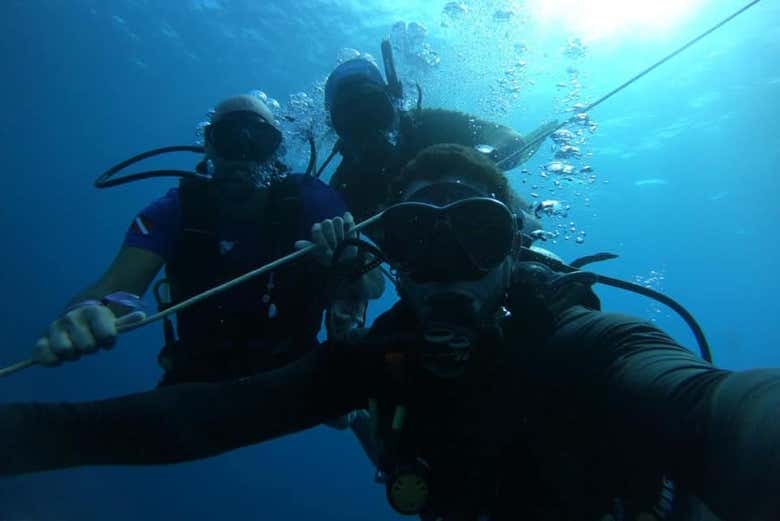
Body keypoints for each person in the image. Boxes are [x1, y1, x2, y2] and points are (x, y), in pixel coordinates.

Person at [3, 144, 779, 521]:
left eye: (473, 235)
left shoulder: (580, 341)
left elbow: (717, 408)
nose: (444, 267)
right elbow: (199, 416)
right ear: (391, 255)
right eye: (414, 236)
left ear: (513, 250)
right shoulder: (378, 359)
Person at [32, 94, 384, 384]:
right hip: (201, 371)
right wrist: (87, 313)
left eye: (259, 140)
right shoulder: (174, 211)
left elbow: (375, 285)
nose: (243, 155)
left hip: (295, 362)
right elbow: (115, 289)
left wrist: (348, 259)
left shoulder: (311, 199)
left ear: (276, 152)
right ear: (208, 147)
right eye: (229, 137)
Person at [322, 57, 556, 231]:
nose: (369, 126)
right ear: (335, 128)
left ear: (393, 100)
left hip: (500, 229)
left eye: (374, 108)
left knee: (531, 237)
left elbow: (503, 135)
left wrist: (495, 155)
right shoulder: (346, 187)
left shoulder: (429, 124)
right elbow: (370, 284)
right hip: (424, 268)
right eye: (351, 120)